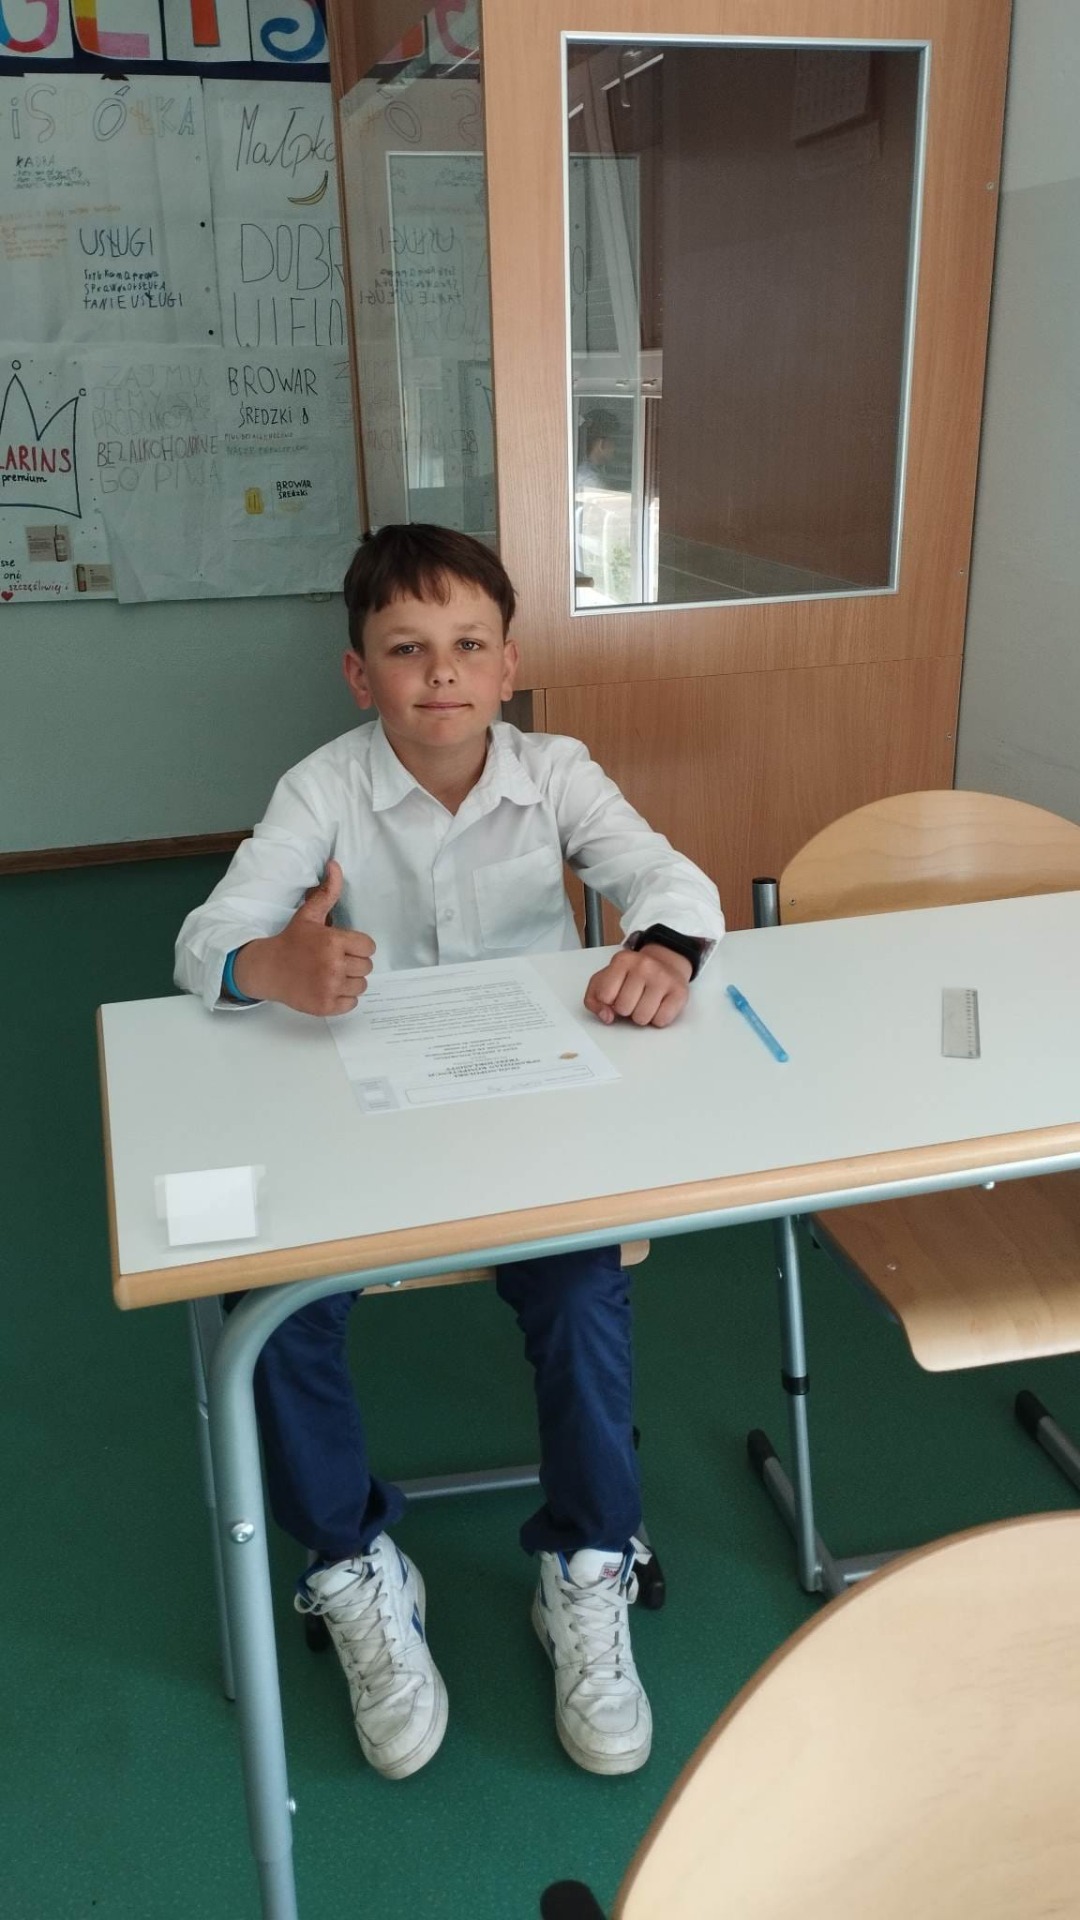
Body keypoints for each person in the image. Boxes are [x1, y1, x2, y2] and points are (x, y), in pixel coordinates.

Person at [175, 523, 724, 1784]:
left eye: (470, 645)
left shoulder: (555, 770)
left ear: (509, 665)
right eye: (406, 649)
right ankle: (352, 1560)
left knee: (582, 1288)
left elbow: (669, 877)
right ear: (358, 673)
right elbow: (206, 938)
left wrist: (661, 949)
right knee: (271, 1300)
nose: (442, 673)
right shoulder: (321, 789)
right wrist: (271, 964)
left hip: (529, 1109)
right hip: (359, 1111)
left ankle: (589, 1556)